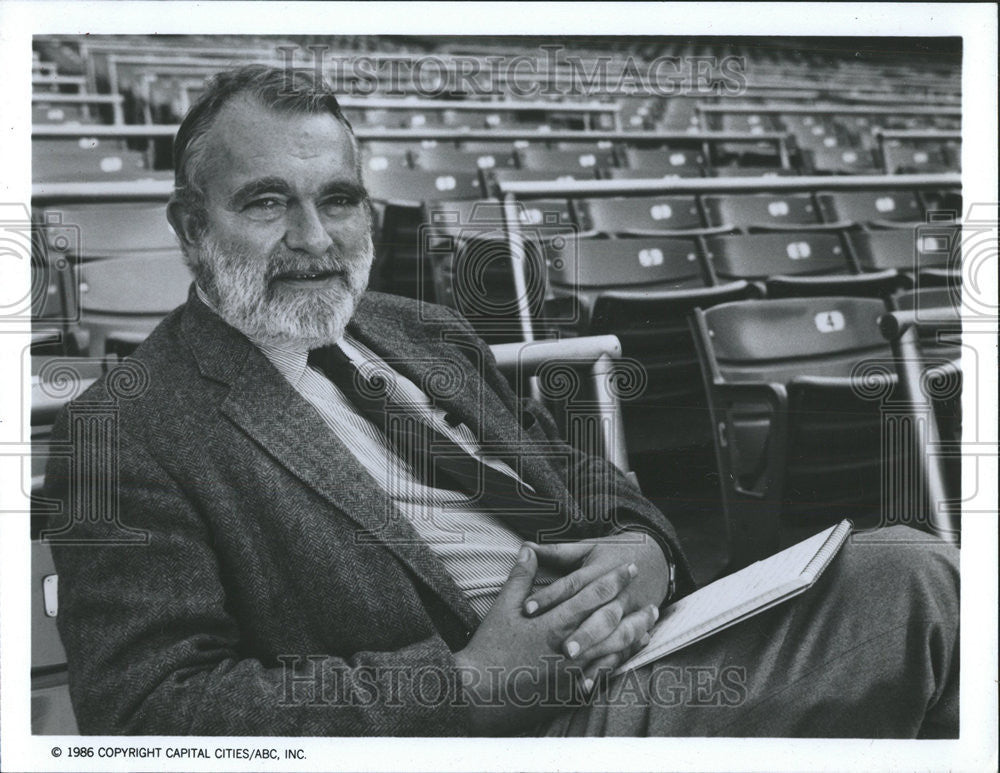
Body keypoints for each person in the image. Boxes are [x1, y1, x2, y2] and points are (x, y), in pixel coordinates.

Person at [45, 64, 959, 738]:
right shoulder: (116, 429)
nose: (315, 239)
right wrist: (465, 684)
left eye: (340, 199)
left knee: (903, 568)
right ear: (191, 226)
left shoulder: (422, 331)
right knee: (916, 585)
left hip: (629, 651)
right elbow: (148, 711)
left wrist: (643, 553)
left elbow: (595, 487)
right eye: (268, 203)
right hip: (496, 735)